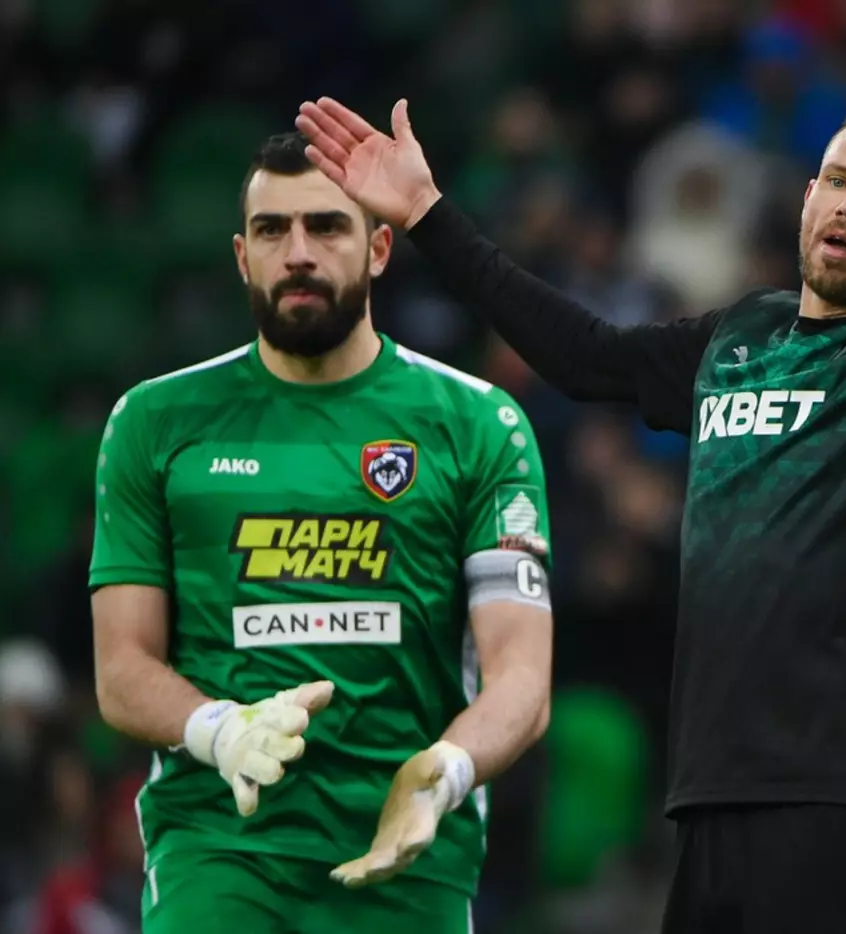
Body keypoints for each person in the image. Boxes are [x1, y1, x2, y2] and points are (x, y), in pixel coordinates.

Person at [298, 45, 846, 933]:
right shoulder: (739, 337)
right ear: (808, 196)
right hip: (712, 797)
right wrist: (427, 213)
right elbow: (584, 356)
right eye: (839, 181)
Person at [88, 132, 555, 934]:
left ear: (379, 249)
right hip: (219, 849)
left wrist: (442, 773)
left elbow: (521, 675)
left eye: (326, 227)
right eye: (272, 230)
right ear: (243, 257)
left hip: (409, 853)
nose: (297, 252)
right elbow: (122, 670)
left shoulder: (478, 424)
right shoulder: (154, 422)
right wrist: (220, 731)